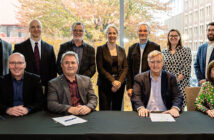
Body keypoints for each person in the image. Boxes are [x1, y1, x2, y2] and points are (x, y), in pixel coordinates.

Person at [131, 50, 183, 117]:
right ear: (148, 63)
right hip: (146, 113)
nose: (155, 65)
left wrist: (174, 108)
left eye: (158, 62)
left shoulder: (171, 78)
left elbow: (178, 96)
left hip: (166, 113)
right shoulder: (139, 78)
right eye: (152, 62)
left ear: (163, 63)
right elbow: (136, 96)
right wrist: (141, 108)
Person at [14, 19, 57, 88]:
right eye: (33, 27)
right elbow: (15, 68)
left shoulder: (49, 48)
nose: (36, 29)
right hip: (25, 87)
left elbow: (53, 71)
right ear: (29, 29)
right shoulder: (19, 48)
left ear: (41, 29)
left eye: (38, 27)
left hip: (45, 88)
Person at [96, 24, 128, 110]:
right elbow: (100, 68)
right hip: (104, 84)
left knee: (117, 110)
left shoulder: (122, 50)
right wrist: (113, 81)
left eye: (114, 33)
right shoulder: (100, 49)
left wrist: (119, 82)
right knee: (104, 110)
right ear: (106, 35)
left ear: (117, 35)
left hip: (119, 85)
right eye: (109, 33)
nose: (112, 35)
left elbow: (125, 67)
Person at [127, 22, 160, 97]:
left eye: (145, 31)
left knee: (149, 108)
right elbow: (128, 69)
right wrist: (129, 87)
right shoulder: (132, 48)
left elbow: (159, 68)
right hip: (135, 85)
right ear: (137, 32)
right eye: (140, 31)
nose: (142, 33)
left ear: (149, 32)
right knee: (136, 107)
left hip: (151, 85)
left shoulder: (155, 47)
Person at [162, 29, 192, 107]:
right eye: (171, 35)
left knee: (179, 109)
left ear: (179, 37)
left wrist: (174, 82)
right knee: (167, 109)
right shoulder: (163, 52)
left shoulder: (186, 50)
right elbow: (162, 69)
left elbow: (186, 69)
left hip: (181, 86)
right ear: (168, 37)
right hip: (167, 85)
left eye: (176, 36)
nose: (173, 37)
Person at [194, 22, 214, 86]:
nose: (210, 32)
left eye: (213, 30)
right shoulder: (201, 48)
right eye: (209, 30)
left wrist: (208, 80)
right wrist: (200, 79)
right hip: (202, 84)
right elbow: (196, 65)